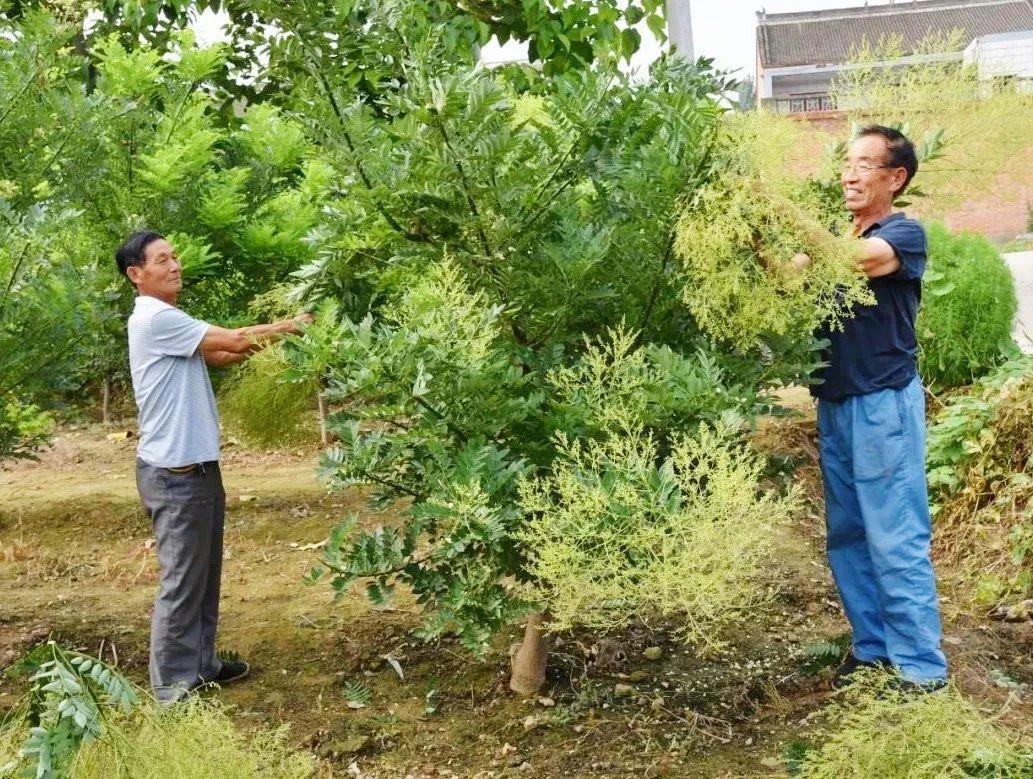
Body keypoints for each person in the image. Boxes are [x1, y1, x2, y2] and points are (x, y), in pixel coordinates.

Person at [116, 230, 311, 703]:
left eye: (176, 257)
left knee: (203, 574)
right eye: (162, 260)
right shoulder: (154, 318)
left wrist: (273, 347)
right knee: (183, 580)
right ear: (136, 274)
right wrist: (291, 326)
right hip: (176, 475)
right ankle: (170, 688)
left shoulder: (172, 319)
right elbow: (235, 337)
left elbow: (226, 352)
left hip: (196, 469)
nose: (175, 265)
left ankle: (201, 664)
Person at [794, 125, 948, 691]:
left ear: (895, 177)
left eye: (863, 164)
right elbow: (789, 273)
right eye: (846, 163)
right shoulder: (840, 233)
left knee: (895, 533)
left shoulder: (902, 235)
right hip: (834, 403)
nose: (849, 174)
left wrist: (784, 216)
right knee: (849, 535)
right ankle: (873, 650)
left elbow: (851, 260)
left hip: (882, 404)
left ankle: (921, 671)